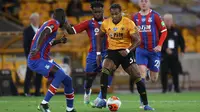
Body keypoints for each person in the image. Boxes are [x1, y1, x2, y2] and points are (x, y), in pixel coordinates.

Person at [94, 4, 154, 110]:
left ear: (121, 12)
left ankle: (145, 104)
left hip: (126, 51)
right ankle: (103, 99)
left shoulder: (128, 23)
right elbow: (99, 35)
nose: (114, 16)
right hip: (112, 51)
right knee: (105, 68)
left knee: (137, 76)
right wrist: (98, 53)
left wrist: (127, 50)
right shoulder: (106, 23)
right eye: (112, 14)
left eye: (116, 14)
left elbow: (138, 40)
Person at [64, 1, 113, 104]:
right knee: (89, 77)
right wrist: (64, 22)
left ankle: (101, 97)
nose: (98, 14)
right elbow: (71, 31)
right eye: (95, 12)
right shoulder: (88, 23)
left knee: (109, 72)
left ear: (103, 11)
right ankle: (87, 90)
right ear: (92, 11)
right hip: (93, 54)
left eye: (99, 12)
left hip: (107, 53)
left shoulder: (109, 22)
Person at [28, 8, 76, 112]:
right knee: (60, 74)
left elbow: (48, 42)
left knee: (68, 80)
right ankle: (44, 104)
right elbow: (44, 32)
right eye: (65, 18)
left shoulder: (50, 23)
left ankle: (70, 109)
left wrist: (59, 41)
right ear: (63, 17)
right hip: (37, 59)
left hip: (43, 58)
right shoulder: (54, 23)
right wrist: (36, 48)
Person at [132, 0, 167, 108]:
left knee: (154, 78)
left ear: (149, 3)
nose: (143, 3)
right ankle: (143, 101)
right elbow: (130, 32)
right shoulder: (134, 17)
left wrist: (160, 45)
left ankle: (149, 72)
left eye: (146, 1)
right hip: (141, 50)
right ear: (139, 3)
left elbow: (164, 31)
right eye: (141, 1)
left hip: (154, 51)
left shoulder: (155, 16)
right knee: (141, 72)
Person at [161, 13, 185, 93]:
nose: (168, 22)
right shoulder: (161, 31)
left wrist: (182, 50)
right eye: (166, 20)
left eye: (169, 20)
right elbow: (158, 42)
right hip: (164, 56)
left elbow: (181, 41)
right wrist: (165, 49)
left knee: (175, 72)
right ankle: (164, 89)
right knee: (164, 72)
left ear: (172, 21)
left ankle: (177, 88)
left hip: (174, 55)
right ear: (163, 21)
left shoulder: (177, 31)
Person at [23, 12, 42, 97]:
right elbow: (25, 45)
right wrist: (28, 56)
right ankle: (26, 92)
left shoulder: (42, 29)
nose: (37, 20)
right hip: (31, 56)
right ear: (31, 20)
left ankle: (37, 92)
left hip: (40, 56)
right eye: (35, 19)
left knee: (39, 74)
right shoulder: (27, 30)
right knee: (29, 75)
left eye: (37, 18)